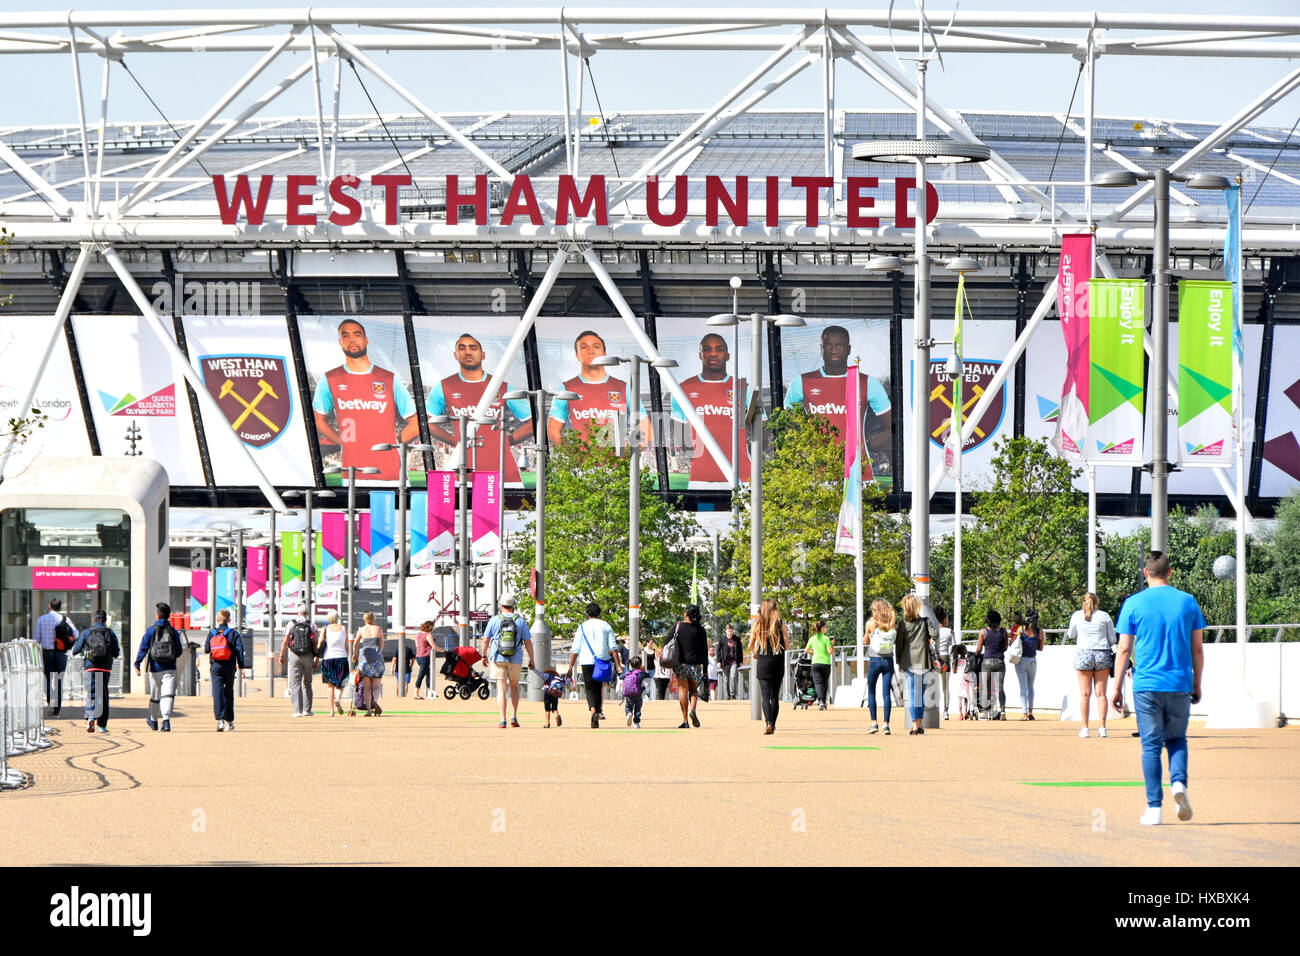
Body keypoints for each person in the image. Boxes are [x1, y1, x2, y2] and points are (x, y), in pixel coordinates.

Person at [1113, 551, 1205, 826]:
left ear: (1145, 573)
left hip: (1147, 685)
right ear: (1171, 571)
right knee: (1176, 739)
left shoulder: (1133, 603)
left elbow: (1124, 648)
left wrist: (1116, 687)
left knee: (1151, 745)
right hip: (1179, 682)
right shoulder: (1187, 602)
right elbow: (1197, 648)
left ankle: (1154, 808)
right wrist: (1197, 684)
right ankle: (1178, 782)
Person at [312, 318, 421, 480]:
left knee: (396, 505)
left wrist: (392, 445)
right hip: (352, 474)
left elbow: (417, 423)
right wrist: (343, 443)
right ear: (340, 342)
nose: (352, 339)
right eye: (345, 335)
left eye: (357, 334)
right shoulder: (330, 379)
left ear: (366, 340)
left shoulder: (390, 379)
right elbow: (318, 420)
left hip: (391, 472)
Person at [783, 324, 892, 472]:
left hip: (858, 474)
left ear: (849, 349)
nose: (834, 350)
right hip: (816, 475)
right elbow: (787, 429)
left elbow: (893, 429)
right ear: (821, 348)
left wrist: (866, 445)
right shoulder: (800, 383)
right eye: (828, 346)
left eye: (839, 345)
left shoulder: (868, 383)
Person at [425, 333, 533, 481]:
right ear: (456, 355)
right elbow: (427, 422)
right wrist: (453, 440)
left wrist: (509, 440)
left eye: (473, 348)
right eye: (462, 348)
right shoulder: (444, 386)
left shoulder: (503, 386)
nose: (468, 352)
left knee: (513, 504)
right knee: (461, 504)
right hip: (462, 467)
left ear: (482, 355)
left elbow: (533, 421)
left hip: (502, 468)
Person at [547, 329, 651, 451]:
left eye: (596, 347)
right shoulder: (566, 389)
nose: (591, 351)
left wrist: (627, 455)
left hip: (618, 466)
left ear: (604, 353)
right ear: (577, 355)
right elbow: (553, 430)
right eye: (584, 347)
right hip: (582, 468)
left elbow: (646, 429)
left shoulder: (624, 388)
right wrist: (573, 455)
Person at [670, 332, 751, 484]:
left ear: (727, 355)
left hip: (742, 478)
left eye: (719, 349)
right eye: (707, 349)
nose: (713, 354)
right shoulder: (683, 389)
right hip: (701, 480)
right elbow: (679, 431)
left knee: (744, 509)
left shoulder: (744, 388)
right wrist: (699, 457)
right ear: (700, 355)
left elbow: (762, 431)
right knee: (704, 509)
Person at [483, 594, 537, 728]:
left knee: (501, 689)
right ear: (513, 606)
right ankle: (514, 716)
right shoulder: (520, 621)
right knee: (514, 686)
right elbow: (528, 643)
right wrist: (532, 659)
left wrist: (483, 655)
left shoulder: (494, 620)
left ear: (501, 605)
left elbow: (485, 640)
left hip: (498, 658)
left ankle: (502, 719)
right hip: (516, 658)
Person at [1069, 592, 1117, 738]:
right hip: (1102, 653)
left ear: (1083, 602)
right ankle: (1102, 728)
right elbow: (1112, 638)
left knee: (1085, 694)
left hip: (1084, 653)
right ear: (1097, 602)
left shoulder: (1077, 616)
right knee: (1101, 694)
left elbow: (1071, 635)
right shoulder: (1105, 616)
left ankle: (1085, 728)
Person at [566, 602, 620, 729]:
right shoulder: (606, 626)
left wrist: (570, 667)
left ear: (587, 613)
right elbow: (613, 647)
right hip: (602, 660)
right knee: (598, 687)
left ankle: (593, 711)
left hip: (586, 661)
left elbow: (575, 649)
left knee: (589, 688)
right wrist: (618, 664)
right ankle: (599, 710)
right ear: (599, 613)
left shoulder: (582, 627)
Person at [134, 602, 184, 731]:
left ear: (157, 616)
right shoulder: (173, 631)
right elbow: (179, 651)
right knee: (168, 694)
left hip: (155, 667)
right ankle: (166, 721)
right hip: (170, 667)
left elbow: (143, 648)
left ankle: (153, 720)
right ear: (168, 616)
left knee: (155, 695)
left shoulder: (151, 630)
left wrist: (137, 663)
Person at [71, 610, 120, 734]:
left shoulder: (87, 632)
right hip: (105, 668)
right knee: (103, 695)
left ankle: (91, 717)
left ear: (94, 619)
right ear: (105, 620)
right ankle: (102, 726)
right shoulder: (110, 633)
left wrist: (85, 650)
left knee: (92, 693)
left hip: (91, 666)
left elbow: (75, 650)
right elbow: (116, 653)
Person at [897, 595, 939, 735]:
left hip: (909, 662)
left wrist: (898, 661)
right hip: (924, 661)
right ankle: (920, 724)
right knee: (920, 695)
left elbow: (899, 645)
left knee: (913, 695)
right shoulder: (925, 622)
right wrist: (929, 623)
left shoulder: (903, 624)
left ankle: (914, 725)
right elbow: (935, 634)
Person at [749, 599, 789, 735]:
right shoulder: (780, 624)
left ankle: (768, 723)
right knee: (774, 696)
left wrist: (755, 652)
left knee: (765, 695)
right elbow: (787, 646)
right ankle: (774, 724)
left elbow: (751, 644)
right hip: (778, 663)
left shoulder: (758, 624)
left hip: (763, 663)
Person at [204, 608, 247, 732]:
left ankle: (220, 720)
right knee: (228, 692)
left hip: (216, 666)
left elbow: (207, 649)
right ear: (229, 620)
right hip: (229, 666)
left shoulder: (212, 632)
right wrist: (241, 666)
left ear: (218, 620)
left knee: (217, 693)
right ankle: (230, 721)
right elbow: (239, 651)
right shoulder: (233, 633)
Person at [669, 605, 710, 729]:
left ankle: (685, 720)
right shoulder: (701, 630)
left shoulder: (678, 626)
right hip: (696, 666)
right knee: (693, 690)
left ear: (686, 614)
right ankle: (693, 710)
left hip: (681, 664)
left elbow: (667, 642)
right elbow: (705, 651)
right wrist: (705, 670)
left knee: (683, 690)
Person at [863, 598, 897, 735]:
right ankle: (886, 725)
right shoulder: (891, 622)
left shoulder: (870, 623)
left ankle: (874, 723)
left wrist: (868, 635)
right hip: (888, 660)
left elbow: (866, 641)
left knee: (871, 691)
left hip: (875, 660)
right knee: (886, 693)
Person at [35, 597, 74, 716]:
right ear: (60, 608)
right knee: (59, 680)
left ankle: (50, 698)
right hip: (61, 653)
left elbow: (37, 639)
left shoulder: (42, 619)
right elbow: (75, 634)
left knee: (47, 679)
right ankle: (56, 710)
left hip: (47, 653)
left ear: (49, 606)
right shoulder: (65, 619)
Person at [278, 605, 318, 718]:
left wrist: (282, 655)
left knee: (295, 683)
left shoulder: (292, 624)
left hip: (294, 655)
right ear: (307, 614)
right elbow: (316, 642)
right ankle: (307, 710)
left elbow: (285, 640)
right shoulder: (312, 625)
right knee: (308, 682)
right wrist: (317, 658)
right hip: (308, 656)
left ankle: (297, 711)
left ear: (298, 613)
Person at [975, 609, 1008, 720]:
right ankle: (1002, 711)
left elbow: (979, 649)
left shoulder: (983, 632)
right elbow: (1005, 648)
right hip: (999, 661)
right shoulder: (1003, 632)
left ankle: (986, 713)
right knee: (1000, 688)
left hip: (987, 662)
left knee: (986, 688)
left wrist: (977, 653)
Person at [353, 612, 386, 717]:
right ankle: (375, 701)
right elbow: (382, 645)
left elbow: (355, 644)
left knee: (366, 687)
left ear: (364, 619)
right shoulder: (378, 629)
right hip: (377, 658)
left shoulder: (361, 629)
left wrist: (355, 654)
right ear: (373, 618)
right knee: (376, 686)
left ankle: (368, 710)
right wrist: (377, 653)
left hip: (365, 658)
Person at [318, 611, 351, 716]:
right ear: (338, 618)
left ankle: (331, 711)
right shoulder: (343, 628)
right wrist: (346, 655)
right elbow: (346, 645)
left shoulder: (325, 629)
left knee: (330, 685)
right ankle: (338, 699)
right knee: (341, 683)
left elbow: (320, 643)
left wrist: (317, 655)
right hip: (341, 657)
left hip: (328, 658)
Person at [1016, 609, 1044, 720]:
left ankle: (1024, 713)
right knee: (1031, 686)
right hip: (1032, 660)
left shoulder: (1021, 629)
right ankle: (1031, 712)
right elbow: (1041, 647)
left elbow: (1014, 642)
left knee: (1023, 688)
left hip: (1021, 660)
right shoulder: (1039, 631)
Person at [805, 619, 833, 710]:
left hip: (815, 662)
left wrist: (814, 652)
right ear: (823, 628)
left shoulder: (812, 639)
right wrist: (832, 644)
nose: (826, 628)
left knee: (818, 683)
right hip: (825, 663)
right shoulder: (826, 638)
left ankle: (821, 701)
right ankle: (823, 701)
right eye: (825, 627)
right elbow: (830, 652)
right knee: (825, 683)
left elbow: (807, 650)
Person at [933, 604, 954, 719]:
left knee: (933, 685)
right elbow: (955, 647)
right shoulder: (949, 631)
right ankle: (945, 711)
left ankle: (932, 709)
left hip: (934, 659)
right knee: (945, 687)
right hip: (945, 658)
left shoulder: (933, 631)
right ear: (944, 619)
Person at [716, 624, 742, 700]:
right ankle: (727, 696)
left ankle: (733, 694)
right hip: (725, 661)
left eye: (731, 631)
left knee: (733, 676)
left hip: (734, 661)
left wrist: (740, 660)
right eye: (728, 631)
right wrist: (718, 661)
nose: (730, 633)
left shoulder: (736, 639)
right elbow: (718, 651)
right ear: (726, 631)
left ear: (733, 631)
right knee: (726, 679)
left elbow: (740, 650)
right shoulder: (723, 639)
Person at [623, 656, 649, 728]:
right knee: (638, 708)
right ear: (640, 664)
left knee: (628, 706)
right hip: (639, 693)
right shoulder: (641, 673)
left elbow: (621, 676)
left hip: (629, 694)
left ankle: (628, 713)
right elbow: (648, 676)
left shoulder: (628, 673)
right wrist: (643, 670)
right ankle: (636, 723)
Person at [413, 620, 435, 700]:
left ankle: (430, 692)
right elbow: (434, 646)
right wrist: (443, 650)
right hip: (425, 657)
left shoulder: (418, 634)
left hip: (418, 656)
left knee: (428, 674)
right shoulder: (428, 635)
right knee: (421, 675)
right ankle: (416, 693)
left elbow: (416, 645)